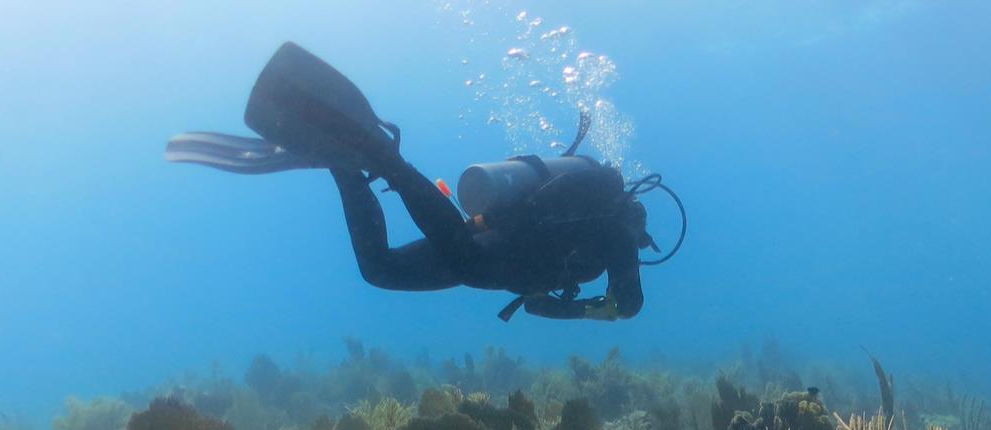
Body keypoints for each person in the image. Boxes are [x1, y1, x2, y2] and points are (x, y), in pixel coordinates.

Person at [167, 42, 676, 321]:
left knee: (380, 270)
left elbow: (543, 296)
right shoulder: (615, 232)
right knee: (465, 259)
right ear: (636, 220)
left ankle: (344, 162)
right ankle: (383, 157)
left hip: (495, 243)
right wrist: (594, 312)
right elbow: (629, 305)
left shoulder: (595, 226)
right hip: (493, 252)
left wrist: (568, 306)